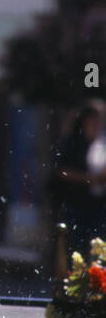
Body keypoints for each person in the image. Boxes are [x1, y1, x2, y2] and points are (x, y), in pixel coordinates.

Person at [52, 100, 106, 254]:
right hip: (76, 202)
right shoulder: (73, 142)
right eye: (93, 118)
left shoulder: (101, 143)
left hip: (99, 205)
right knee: (77, 245)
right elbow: (61, 170)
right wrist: (88, 178)